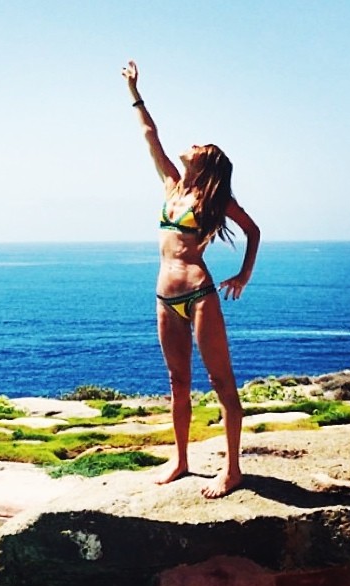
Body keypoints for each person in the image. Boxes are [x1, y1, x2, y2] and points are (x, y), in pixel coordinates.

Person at [121, 60, 260, 498]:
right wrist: (134, 92)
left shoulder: (212, 199)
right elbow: (150, 135)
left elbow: (253, 230)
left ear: (207, 162)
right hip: (164, 296)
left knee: (221, 383)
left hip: (199, 295)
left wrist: (243, 275)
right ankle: (181, 460)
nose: (192, 144)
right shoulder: (171, 186)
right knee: (177, 382)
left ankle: (232, 470)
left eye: (201, 146)